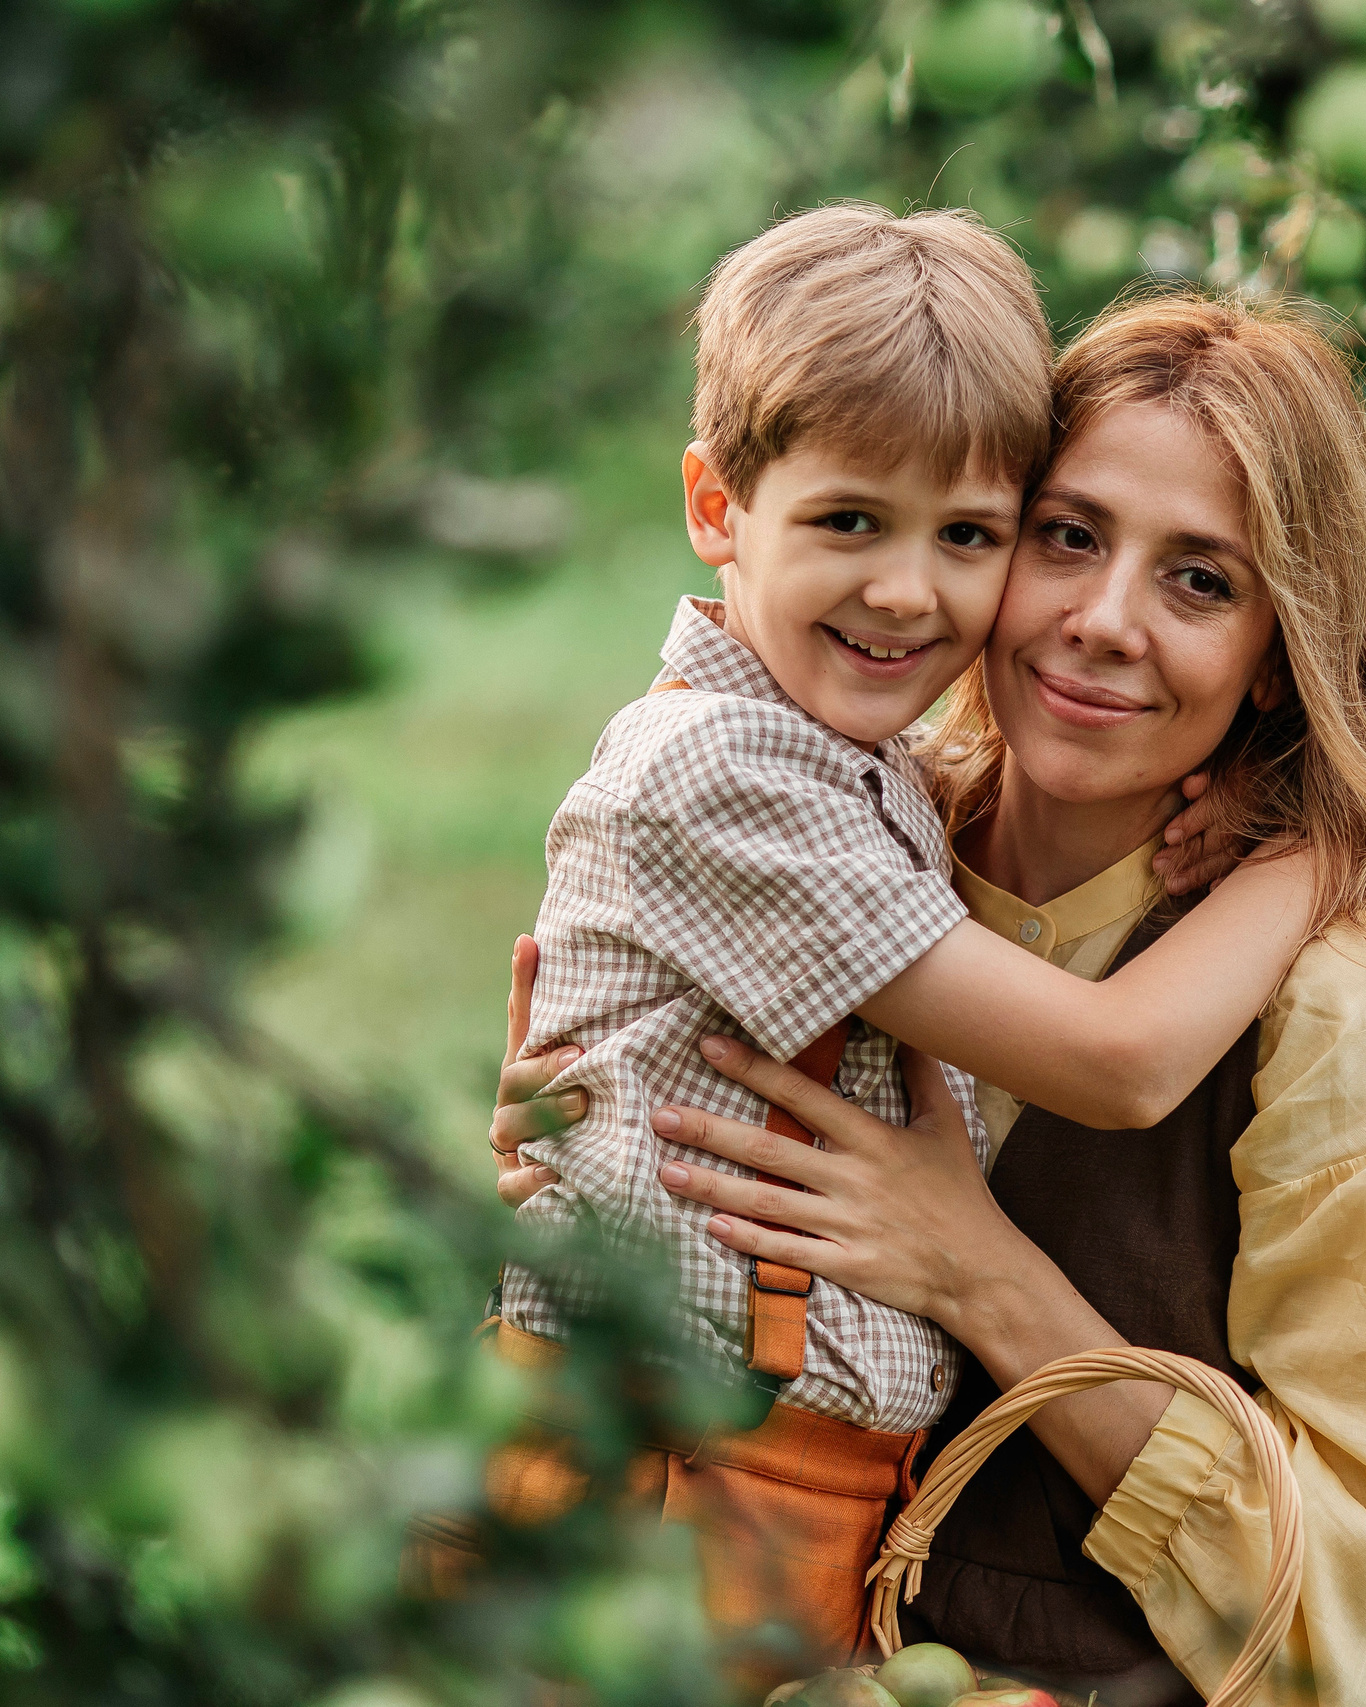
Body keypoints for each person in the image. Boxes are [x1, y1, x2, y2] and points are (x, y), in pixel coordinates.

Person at [495, 294, 1366, 1707]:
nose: (1102, 621)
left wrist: (988, 1279)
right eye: (1066, 536)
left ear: (1279, 649)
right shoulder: (881, 849)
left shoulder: (1346, 1007)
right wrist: (594, 1150)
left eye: (1200, 582)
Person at [484, 208, 1317, 1662]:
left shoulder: (854, 768)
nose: (907, 592)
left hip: (779, 1482)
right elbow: (1115, 1064)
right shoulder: (721, 779)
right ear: (716, 504)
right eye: (849, 521)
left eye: (972, 537)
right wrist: (1321, 857)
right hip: (673, 1478)